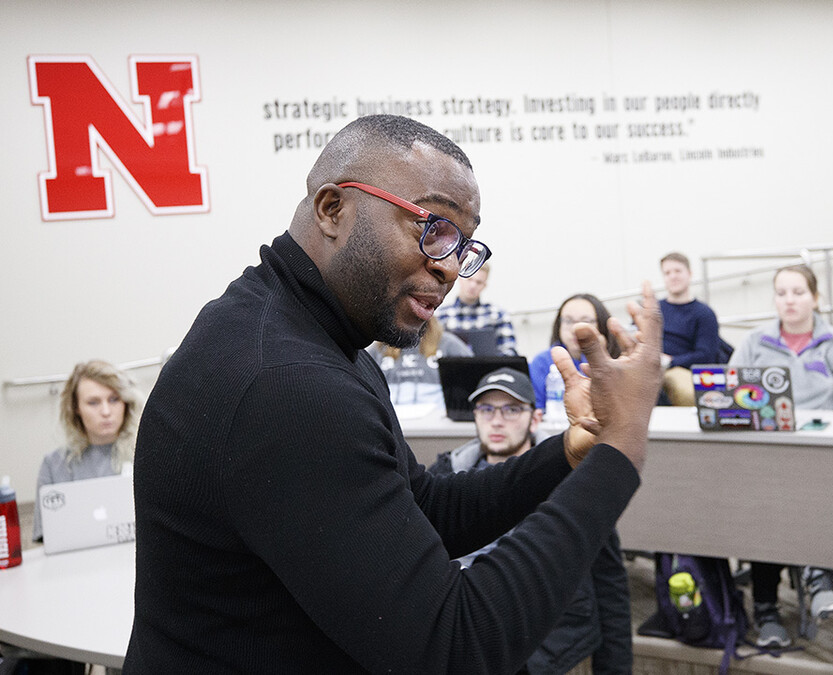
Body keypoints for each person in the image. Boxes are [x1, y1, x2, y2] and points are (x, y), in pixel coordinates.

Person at [124, 114, 664, 674]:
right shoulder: (288, 383)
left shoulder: (319, 339)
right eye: (433, 227)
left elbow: (423, 509)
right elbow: (456, 646)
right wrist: (620, 451)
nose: (451, 265)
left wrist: (572, 453)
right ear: (333, 209)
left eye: (464, 243)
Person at [429, 368, 632, 674]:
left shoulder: (570, 479)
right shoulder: (445, 477)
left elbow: (609, 585)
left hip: (542, 638)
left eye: (511, 409)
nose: (497, 421)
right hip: (461, 626)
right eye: (486, 409)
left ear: (535, 418)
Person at [728, 265, 833, 647]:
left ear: (815, 297)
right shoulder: (753, 343)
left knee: (785, 498)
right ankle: (774, 603)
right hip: (765, 455)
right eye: (781, 293)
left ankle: (813, 571)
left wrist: (827, 430)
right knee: (763, 500)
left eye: (798, 292)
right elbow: (729, 402)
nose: (789, 300)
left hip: (821, 456)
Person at [33, 360, 141, 542]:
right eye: (93, 402)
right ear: (76, 408)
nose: (106, 411)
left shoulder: (145, 454)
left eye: (114, 399)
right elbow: (45, 538)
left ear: (126, 402)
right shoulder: (54, 464)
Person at [529, 293, 622, 410]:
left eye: (586, 321)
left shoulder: (619, 359)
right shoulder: (542, 361)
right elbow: (537, 410)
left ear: (601, 326)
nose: (575, 329)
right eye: (568, 321)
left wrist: (598, 355)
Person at [366, 315, 472, 412]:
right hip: (391, 417)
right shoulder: (379, 347)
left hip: (436, 419)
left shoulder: (448, 343)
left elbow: (473, 372)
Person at [659, 251, 722, 405]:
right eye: (667, 273)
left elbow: (705, 355)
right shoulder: (654, 309)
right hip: (650, 366)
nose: (673, 276)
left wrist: (670, 361)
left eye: (677, 271)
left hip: (682, 370)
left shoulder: (704, 314)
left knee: (679, 387)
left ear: (689, 274)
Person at [434, 261, 518, 356]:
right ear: (460, 278)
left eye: (479, 282)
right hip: (451, 369)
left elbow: (509, 353)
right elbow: (431, 351)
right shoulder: (440, 315)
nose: (473, 286)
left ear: (484, 286)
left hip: (489, 369)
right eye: (469, 279)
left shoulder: (498, 315)